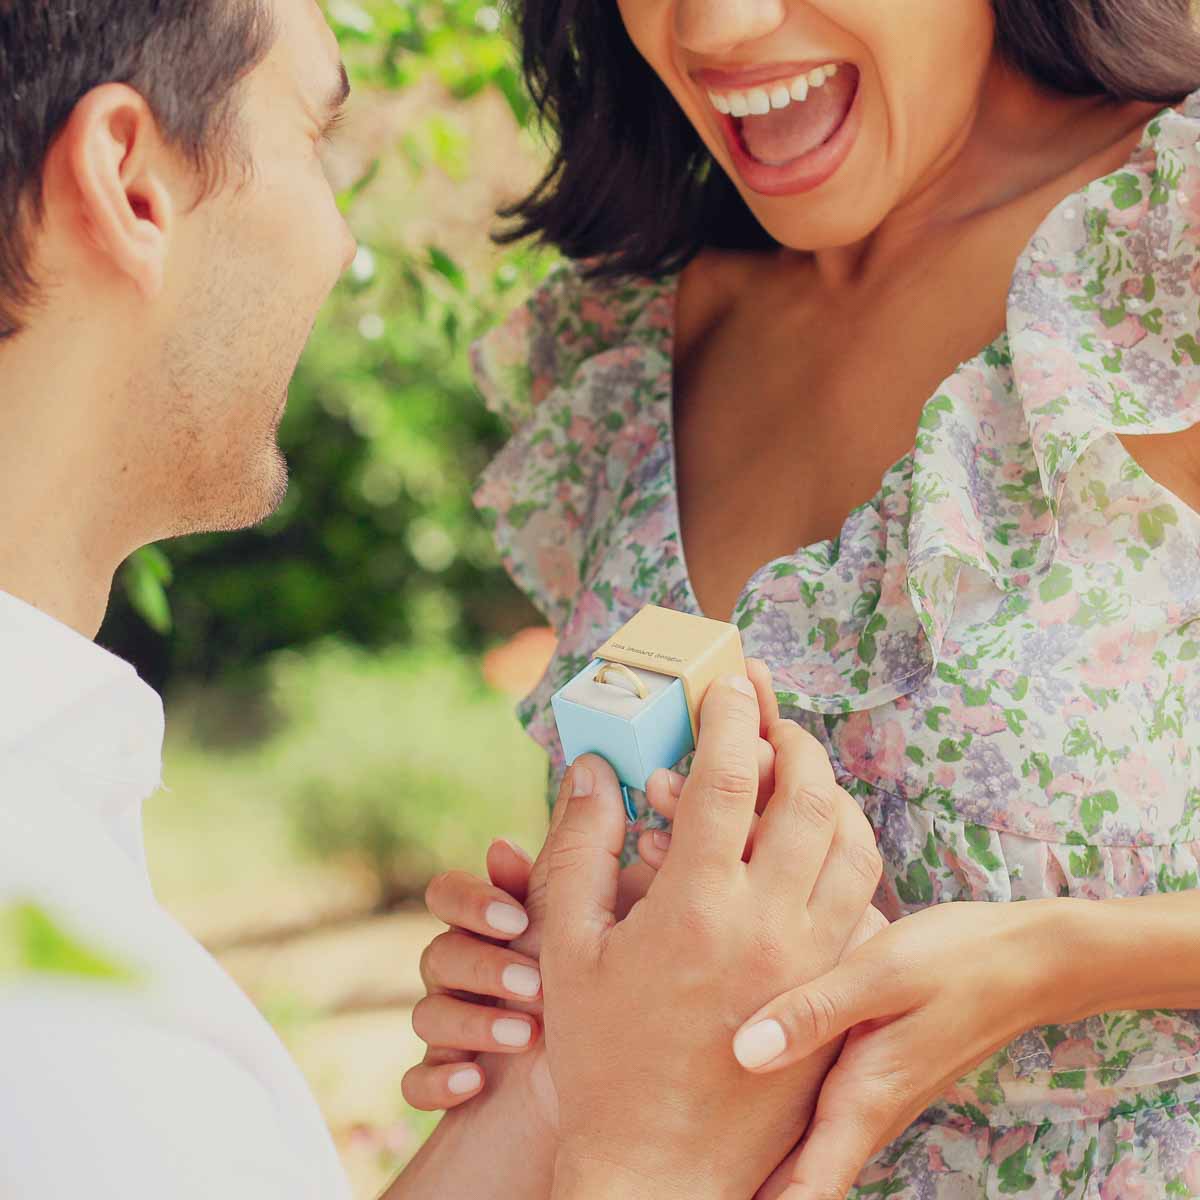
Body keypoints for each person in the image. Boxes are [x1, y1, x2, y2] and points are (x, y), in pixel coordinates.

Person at [0, 1, 881, 1198]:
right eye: (318, 139)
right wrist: (657, 1153)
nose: (334, 235)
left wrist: (569, 1093)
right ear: (130, 183)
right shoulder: (57, 1010)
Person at [413, 0, 1200, 1195]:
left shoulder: (1168, 248)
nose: (719, 22)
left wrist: (1064, 960)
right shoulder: (645, 335)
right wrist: (555, 1000)